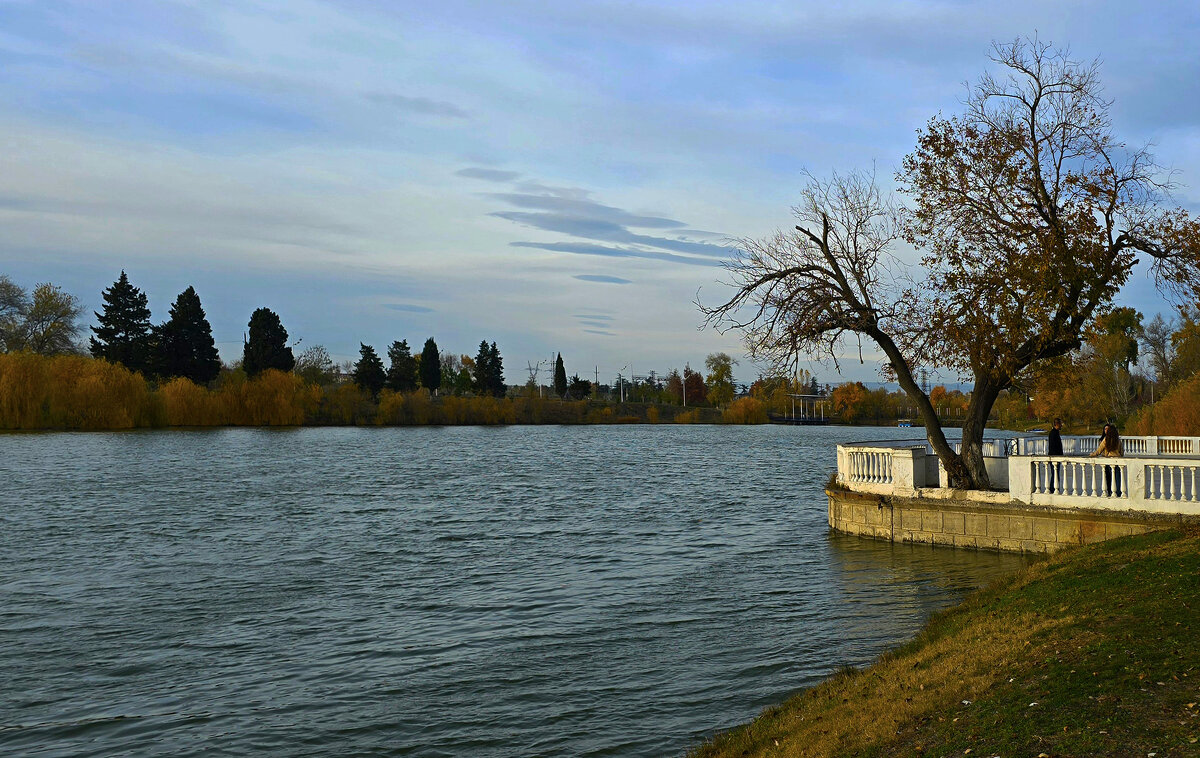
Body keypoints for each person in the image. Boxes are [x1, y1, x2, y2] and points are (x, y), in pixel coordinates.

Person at [1089, 423, 1124, 496]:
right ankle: (1118, 492)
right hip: (1117, 461)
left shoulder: (1106, 440)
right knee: (1117, 478)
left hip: (1109, 461)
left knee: (1110, 478)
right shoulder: (1118, 440)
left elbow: (1098, 451)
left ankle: (1111, 492)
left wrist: (1092, 454)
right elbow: (1122, 452)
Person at [1047, 417, 1064, 492]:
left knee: (1055, 474)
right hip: (1054, 457)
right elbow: (1053, 446)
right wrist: (1057, 456)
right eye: (1060, 424)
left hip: (1055, 456)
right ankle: (1053, 489)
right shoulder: (1053, 433)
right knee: (1055, 475)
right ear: (1057, 424)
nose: (1062, 425)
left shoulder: (1054, 432)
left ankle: (1054, 489)